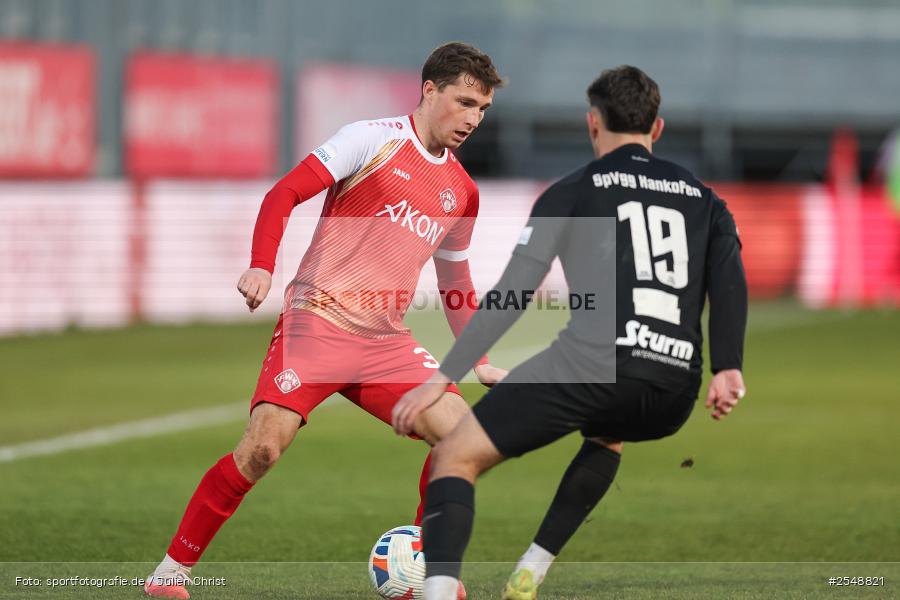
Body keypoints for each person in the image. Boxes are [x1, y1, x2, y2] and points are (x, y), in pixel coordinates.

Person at [144, 42, 507, 600]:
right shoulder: (371, 138)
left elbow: (454, 282)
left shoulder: (462, 190)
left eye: (481, 109)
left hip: (385, 340)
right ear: (429, 90)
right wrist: (262, 266)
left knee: (460, 437)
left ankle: (432, 576)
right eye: (464, 103)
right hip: (316, 323)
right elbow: (284, 192)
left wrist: (479, 359)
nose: (473, 119)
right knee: (262, 450)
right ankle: (170, 576)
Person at [392, 65, 749, 600]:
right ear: (657, 130)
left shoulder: (574, 191)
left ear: (592, 124)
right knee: (608, 430)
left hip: (591, 370)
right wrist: (728, 367)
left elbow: (514, 293)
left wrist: (442, 375)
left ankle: (437, 593)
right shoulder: (705, 200)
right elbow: (730, 283)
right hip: (674, 390)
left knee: (453, 458)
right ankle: (531, 571)